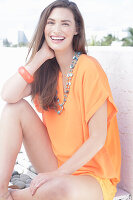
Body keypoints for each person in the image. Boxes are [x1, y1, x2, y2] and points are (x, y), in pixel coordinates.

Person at [0, 0, 121, 199]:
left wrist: (57, 175)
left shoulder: (89, 68)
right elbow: (8, 95)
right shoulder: (47, 72)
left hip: (93, 175)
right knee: (14, 109)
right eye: (51, 22)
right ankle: (2, 190)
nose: (57, 29)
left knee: (61, 190)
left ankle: (13, 196)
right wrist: (39, 58)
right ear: (44, 27)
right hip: (54, 162)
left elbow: (98, 138)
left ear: (76, 30)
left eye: (65, 23)